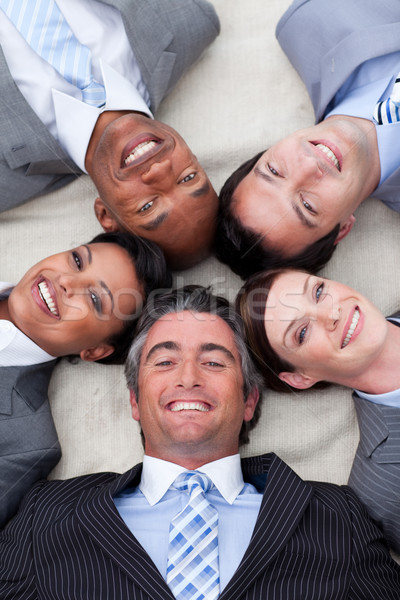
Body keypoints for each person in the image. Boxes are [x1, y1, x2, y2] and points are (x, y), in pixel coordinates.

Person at [1, 285, 399, 599]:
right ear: (135, 400)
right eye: (164, 361)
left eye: (213, 362)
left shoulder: (335, 515)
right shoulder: (47, 514)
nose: (188, 377)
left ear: (248, 400)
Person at [0, 0, 220, 269]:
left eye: (148, 206)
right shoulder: (188, 22)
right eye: (188, 177)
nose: (159, 170)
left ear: (106, 216)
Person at [215, 0, 400, 278]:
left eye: (274, 171)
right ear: (342, 229)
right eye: (308, 206)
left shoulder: (310, 22)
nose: (309, 167)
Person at [0, 230, 172, 527]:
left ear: (94, 351)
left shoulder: (25, 446)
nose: (66, 282)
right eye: (78, 261)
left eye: (94, 299)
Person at [237, 268, 400, 553]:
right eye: (302, 332)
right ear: (300, 377)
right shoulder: (383, 489)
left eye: (318, 292)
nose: (331, 314)